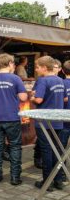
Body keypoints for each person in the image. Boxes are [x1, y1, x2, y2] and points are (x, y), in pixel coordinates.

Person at [0, 53, 27, 186]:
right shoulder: (15, 79)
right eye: (13, 63)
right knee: (15, 147)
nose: (14, 65)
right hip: (12, 118)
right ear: (9, 64)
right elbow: (24, 98)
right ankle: (15, 178)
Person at [30, 55, 66, 191]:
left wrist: (32, 96)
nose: (36, 70)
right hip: (57, 121)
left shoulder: (43, 81)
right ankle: (58, 180)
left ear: (45, 68)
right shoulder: (60, 80)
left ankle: (47, 182)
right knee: (56, 150)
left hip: (44, 122)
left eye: (38, 67)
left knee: (46, 151)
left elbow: (38, 100)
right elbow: (65, 98)